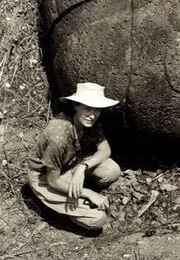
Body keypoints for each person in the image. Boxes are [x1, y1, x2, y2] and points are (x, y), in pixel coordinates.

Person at [27, 82, 121, 231]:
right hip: (46, 177)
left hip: (73, 162)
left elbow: (105, 150)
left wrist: (82, 168)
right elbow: (53, 180)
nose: (92, 115)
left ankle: (76, 190)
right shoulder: (59, 135)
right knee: (98, 220)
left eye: (97, 110)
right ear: (76, 106)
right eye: (88, 108)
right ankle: (48, 204)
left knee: (112, 171)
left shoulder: (91, 121)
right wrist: (89, 194)